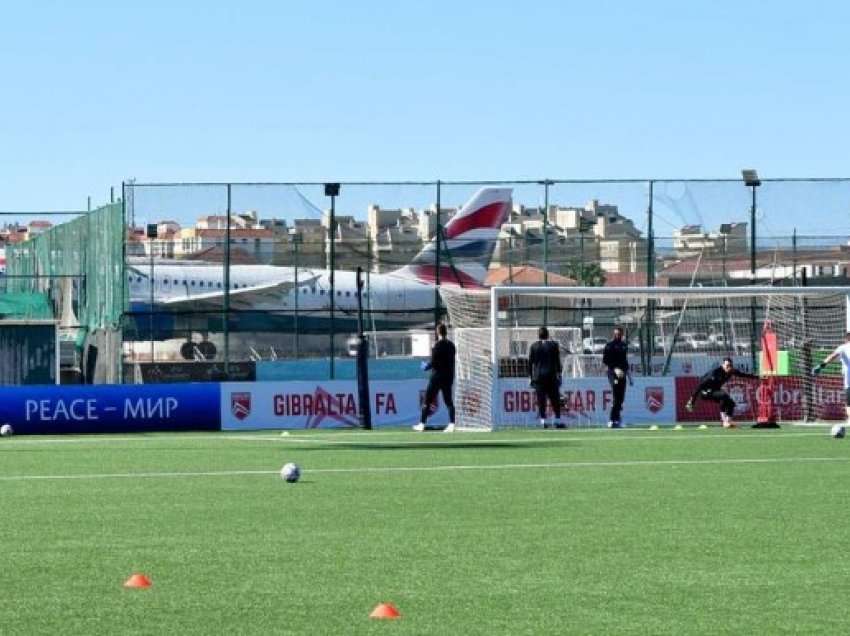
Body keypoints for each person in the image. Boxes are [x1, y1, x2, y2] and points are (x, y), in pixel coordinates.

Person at [686, 357, 759, 428]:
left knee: (731, 403)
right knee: (723, 395)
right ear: (723, 365)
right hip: (705, 392)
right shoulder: (714, 373)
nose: (729, 367)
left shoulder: (732, 371)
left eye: (730, 365)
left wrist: (758, 377)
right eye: (727, 366)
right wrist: (692, 401)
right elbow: (700, 386)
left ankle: (728, 422)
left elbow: (743, 375)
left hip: (715, 390)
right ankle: (724, 421)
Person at [414, 323, 456, 432]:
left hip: (437, 376)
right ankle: (452, 424)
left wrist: (425, 367)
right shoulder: (452, 345)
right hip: (448, 376)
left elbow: (433, 362)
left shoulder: (436, 345)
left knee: (427, 400)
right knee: (449, 401)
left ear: (438, 332)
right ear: (446, 332)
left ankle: (422, 424)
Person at [528, 326, 563, 428]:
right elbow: (557, 361)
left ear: (538, 335)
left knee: (541, 399)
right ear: (547, 335)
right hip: (551, 375)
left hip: (538, 377)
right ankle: (557, 420)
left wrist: (530, 376)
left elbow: (530, 363)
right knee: (555, 399)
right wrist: (559, 374)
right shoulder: (553, 345)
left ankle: (543, 420)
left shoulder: (533, 346)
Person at [812, 331, 850, 423]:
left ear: (846, 339)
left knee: (849, 404)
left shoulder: (843, 347)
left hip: (849, 381)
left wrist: (821, 366)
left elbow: (832, 356)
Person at [602, 326, 632, 428]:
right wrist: (615, 369)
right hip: (612, 373)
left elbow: (625, 362)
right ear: (613, 334)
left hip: (622, 374)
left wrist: (630, 377)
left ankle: (617, 419)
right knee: (616, 396)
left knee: (621, 398)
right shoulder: (609, 345)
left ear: (622, 334)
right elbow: (606, 361)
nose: (617, 336)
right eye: (616, 334)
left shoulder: (624, 346)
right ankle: (611, 420)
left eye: (619, 334)